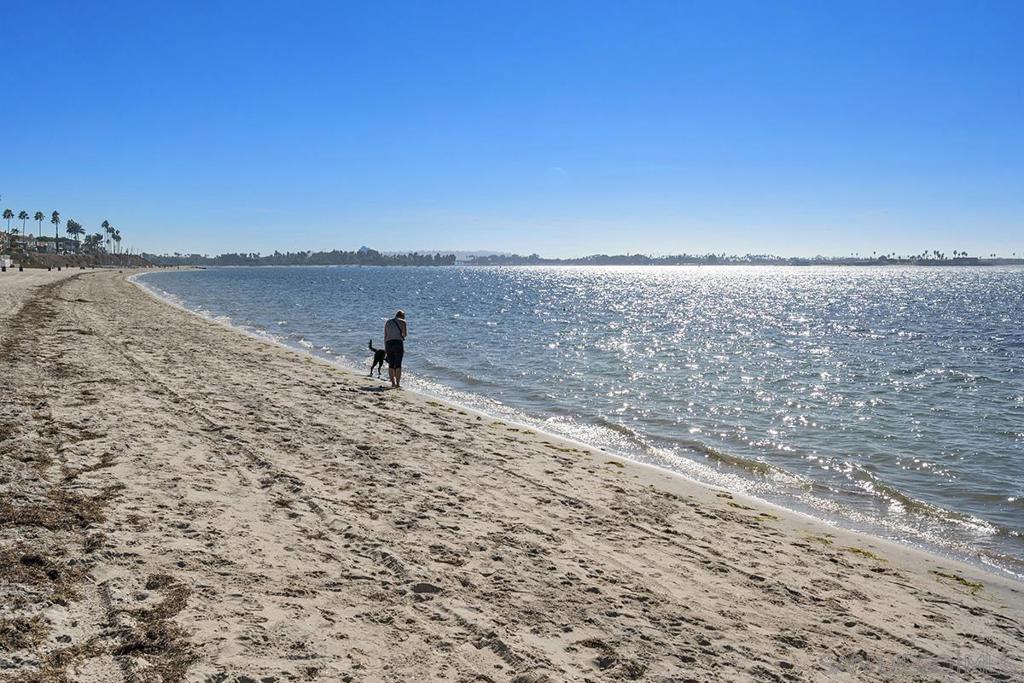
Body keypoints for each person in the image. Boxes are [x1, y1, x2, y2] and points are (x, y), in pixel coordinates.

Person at [384, 310, 407, 388]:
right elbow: (405, 334)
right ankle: (397, 384)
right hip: (398, 343)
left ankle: (392, 383)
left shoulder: (388, 322)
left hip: (388, 343)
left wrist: (385, 347)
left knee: (391, 364)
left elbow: (385, 335)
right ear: (402, 316)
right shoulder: (403, 322)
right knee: (398, 364)